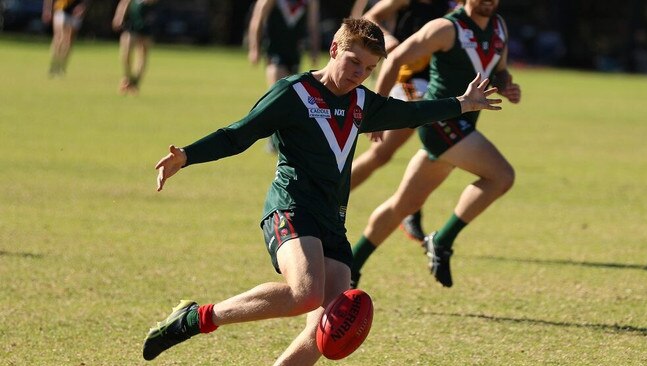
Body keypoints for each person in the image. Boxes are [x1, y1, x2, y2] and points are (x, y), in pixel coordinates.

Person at [142, 18, 501, 364]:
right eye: (353, 62)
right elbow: (238, 134)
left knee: (325, 326)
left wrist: (462, 104)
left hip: (332, 221)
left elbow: (411, 112)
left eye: (368, 69)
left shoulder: (362, 103)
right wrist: (187, 156)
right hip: (292, 207)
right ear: (333, 49)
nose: (358, 74)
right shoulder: (293, 93)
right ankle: (196, 318)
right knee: (306, 293)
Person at [350, 0, 521, 289]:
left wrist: (506, 85)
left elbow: (498, 70)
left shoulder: (499, 27)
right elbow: (395, 58)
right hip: (442, 122)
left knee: (404, 205)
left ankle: (351, 266)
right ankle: (442, 241)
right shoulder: (446, 28)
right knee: (502, 176)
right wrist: (375, 111)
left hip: (463, 124)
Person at [350, 0, 456, 243]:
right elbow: (370, 17)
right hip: (410, 80)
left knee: (440, 148)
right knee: (382, 153)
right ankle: (329, 198)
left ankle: (409, 208)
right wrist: (386, 39)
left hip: (440, 84)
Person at [247, 0, 320, 153]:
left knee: (291, 97)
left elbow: (312, 25)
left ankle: (285, 137)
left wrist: (314, 49)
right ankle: (273, 140)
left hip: (294, 54)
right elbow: (257, 18)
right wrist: (254, 48)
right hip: (275, 52)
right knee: (277, 94)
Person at [112, 0, 159, 94]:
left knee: (142, 55)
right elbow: (124, 2)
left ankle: (135, 82)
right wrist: (119, 16)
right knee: (126, 53)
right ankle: (127, 78)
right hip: (132, 25)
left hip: (145, 25)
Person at [42, 0, 90, 77]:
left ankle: (62, 66)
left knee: (68, 41)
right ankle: (54, 63)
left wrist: (83, 6)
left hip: (75, 12)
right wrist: (47, 9)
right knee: (59, 37)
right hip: (61, 9)